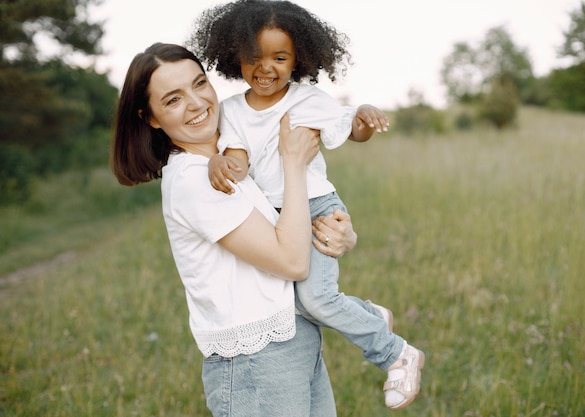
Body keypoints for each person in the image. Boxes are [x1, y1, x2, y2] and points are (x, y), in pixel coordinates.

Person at [188, 0, 425, 411]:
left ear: (298, 60)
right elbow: (239, 162)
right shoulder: (231, 111)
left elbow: (349, 129)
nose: (266, 68)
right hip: (274, 217)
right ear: (234, 57)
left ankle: (396, 353)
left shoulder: (307, 99)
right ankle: (368, 314)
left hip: (314, 207)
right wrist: (219, 160)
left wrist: (363, 119)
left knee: (314, 300)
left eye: (280, 57)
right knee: (291, 302)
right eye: (254, 57)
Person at [110, 42, 359, 417]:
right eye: (173, 100)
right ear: (152, 118)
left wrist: (342, 235)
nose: (196, 103)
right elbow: (292, 261)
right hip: (255, 362)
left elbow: (289, 228)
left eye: (199, 84)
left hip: (296, 341)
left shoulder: (229, 160)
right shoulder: (195, 179)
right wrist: (292, 162)